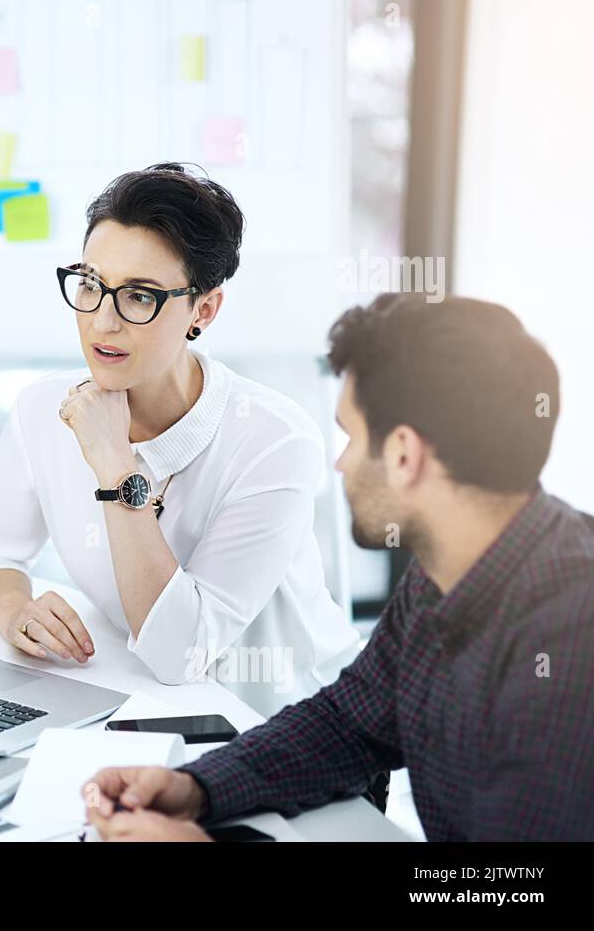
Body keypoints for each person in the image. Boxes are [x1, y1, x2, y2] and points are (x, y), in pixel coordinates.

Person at [84, 293, 594, 841]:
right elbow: (349, 726)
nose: (341, 462)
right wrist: (197, 789)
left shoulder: (567, 634)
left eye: (351, 436)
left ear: (403, 454)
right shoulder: (445, 571)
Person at [0, 163, 358, 715]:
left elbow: (182, 653)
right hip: (144, 710)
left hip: (290, 727)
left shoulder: (275, 442)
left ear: (204, 310)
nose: (102, 323)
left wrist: (115, 468)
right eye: (92, 284)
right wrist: (13, 608)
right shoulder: (43, 408)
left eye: (140, 296)